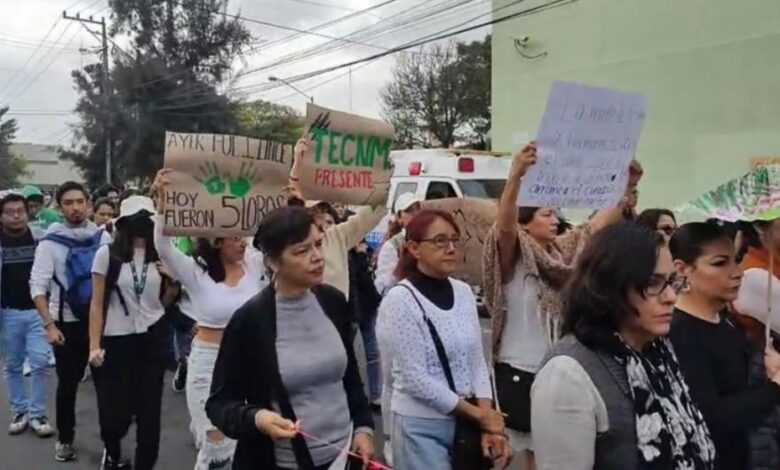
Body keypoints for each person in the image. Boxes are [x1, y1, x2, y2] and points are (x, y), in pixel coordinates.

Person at [483, 143, 640, 467]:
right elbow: (505, 225)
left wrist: (624, 185)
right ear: (526, 222)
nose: (555, 220)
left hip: (557, 370)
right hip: (517, 373)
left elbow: (595, 225)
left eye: (556, 213)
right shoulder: (512, 255)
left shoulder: (564, 254)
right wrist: (516, 175)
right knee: (516, 461)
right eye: (546, 214)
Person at [531, 223, 716, 470]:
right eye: (653, 283)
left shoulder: (657, 352)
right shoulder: (567, 374)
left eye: (672, 281)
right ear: (610, 286)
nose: (671, 296)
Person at [206, 206, 375, 469]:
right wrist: (257, 418)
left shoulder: (332, 301)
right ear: (273, 261)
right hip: (282, 461)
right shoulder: (250, 321)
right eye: (302, 251)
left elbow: (350, 376)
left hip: (345, 455)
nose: (318, 257)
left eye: (318, 244)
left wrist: (364, 427)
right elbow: (219, 403)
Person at [376, 209, 511, 469]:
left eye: (454, 240)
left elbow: (476, 362)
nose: (450, 248)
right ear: (414, 248)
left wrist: (488, 420)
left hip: (466, 422)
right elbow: (415, 378)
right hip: (421, 426)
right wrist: (479, 416)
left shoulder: (463, 293)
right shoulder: (400, 299)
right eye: (440, 241)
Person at [153, 169, 268, 470]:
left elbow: (275, 232)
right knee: (215, 446)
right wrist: (164, 203)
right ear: (217, 242)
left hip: (249, 362)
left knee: (245, 441)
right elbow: (163, 245)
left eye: (243, 236)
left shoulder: (255, 263)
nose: (242, 242)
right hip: (207, 364)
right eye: (234, 237)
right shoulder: (195, 273)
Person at [668, 222, 780, 469]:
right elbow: (712, 417)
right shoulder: (680, 332)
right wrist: (774, 387)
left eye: (734, 260)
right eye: (719, 263)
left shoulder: (724, 319)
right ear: (683, 268)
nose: (736, 272)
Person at [87, 196, 174, 470]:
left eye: (146, 220)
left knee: (150, 415)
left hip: (152, 340)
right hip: (117, 341)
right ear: (123, 223)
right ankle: (112, 450)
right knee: (117, 415)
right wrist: (93, 346)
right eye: (135, 220)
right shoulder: (107, 255)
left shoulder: (161, 253)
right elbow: (97, 304)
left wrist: (171, 285)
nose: (141, 226)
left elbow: (160, 304)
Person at [30, 181, 112, 462]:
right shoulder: (50, 243)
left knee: (106, 387)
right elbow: (37, 287)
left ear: (88, 203)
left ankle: (110, 444)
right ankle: (65, 439)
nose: (75, 208)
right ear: (59, 206)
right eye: (68, 203)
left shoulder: (104, 238)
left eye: (80, 201)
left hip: (100, 323)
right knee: (67, 386)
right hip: (67, 325)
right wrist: (49, 326)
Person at [288, 138, 387, 298]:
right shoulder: (290, 240)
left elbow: (371, 215)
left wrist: (382, 181)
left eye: (320, 208)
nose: (316, 212)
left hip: (337, 319)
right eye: (312, 208)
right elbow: (290, 195)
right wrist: (298, 164)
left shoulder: (337, 236)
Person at [0, 192, 53, 438]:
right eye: (9, 212)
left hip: (38, 312)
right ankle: (19, 410)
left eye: (20, 210)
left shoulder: (41, 239)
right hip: (7, 313)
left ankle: (37, 413)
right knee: (12, 364)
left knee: (41, 362)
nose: (16, 215)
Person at [374, 192, 422, 296]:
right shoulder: (392, 246)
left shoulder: (427, 239)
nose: (415, 214)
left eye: (417, 209)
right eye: (409, 211)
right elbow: (383, 287)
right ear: (399, 217)